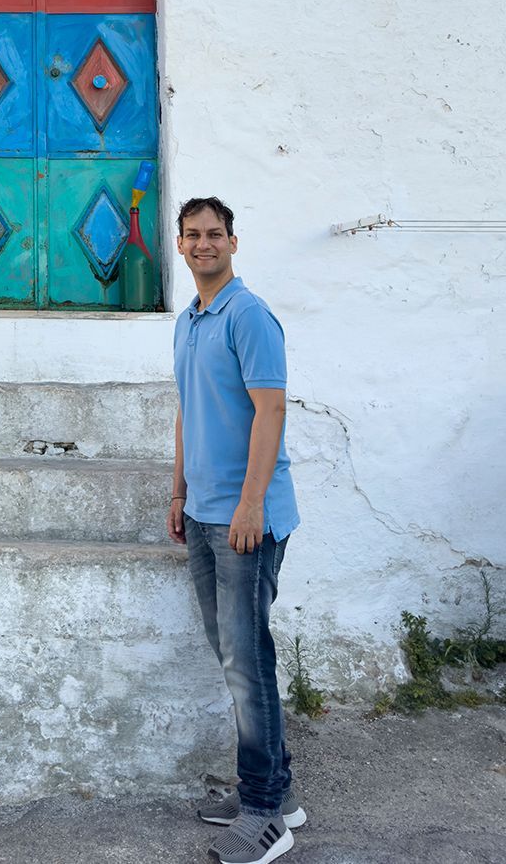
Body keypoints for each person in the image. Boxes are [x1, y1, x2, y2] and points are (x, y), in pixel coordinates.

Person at [166, 196, 304, 864]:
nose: (203, 244)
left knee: (247, 666)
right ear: (180, 244)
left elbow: (271, 410)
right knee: (239, 656)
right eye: (192, 235)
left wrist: (250, 506)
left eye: (214, 234)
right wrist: (178, 491)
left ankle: (264, 814)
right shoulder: (190, 319)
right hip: (203, 513)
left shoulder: (247, 314)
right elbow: (188, 411)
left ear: (233, 242)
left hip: (245, 519)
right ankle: (273, 790)